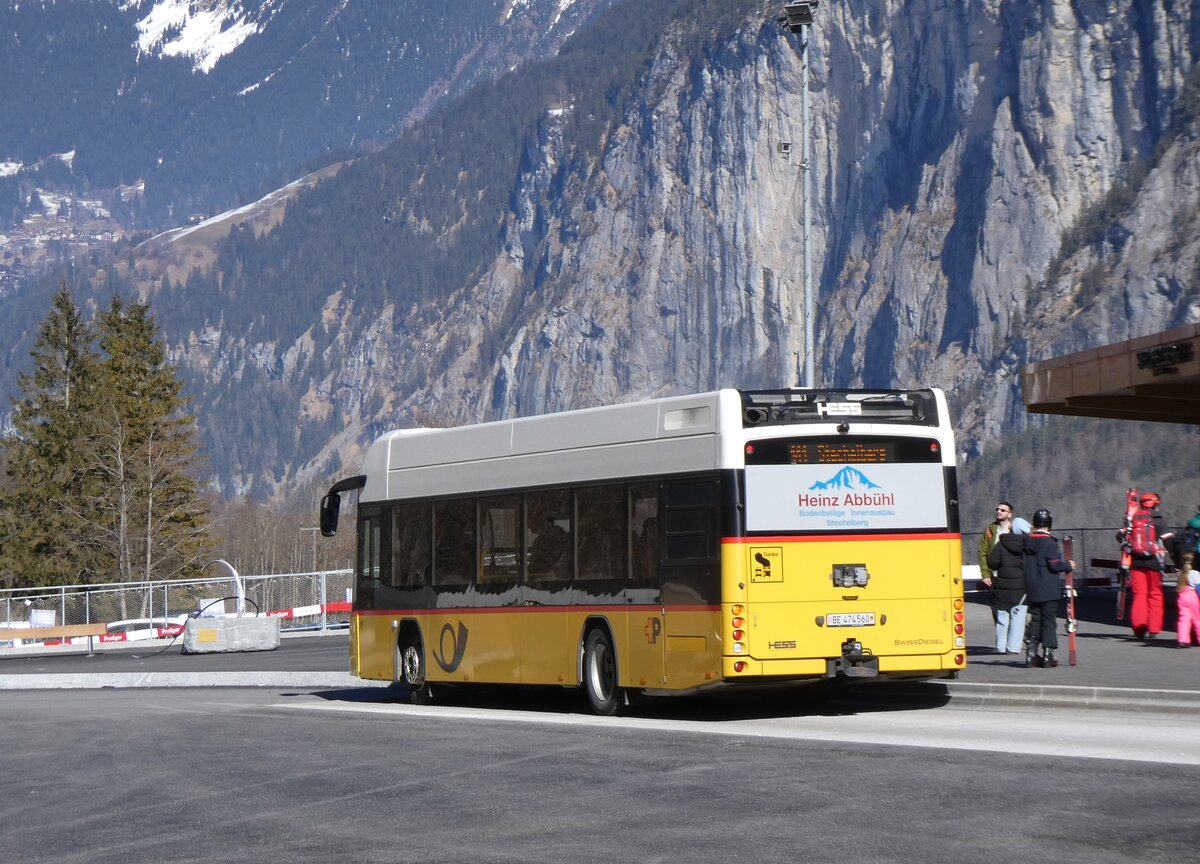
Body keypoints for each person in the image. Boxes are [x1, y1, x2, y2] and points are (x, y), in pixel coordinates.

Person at [1022, 508, 1075, 668]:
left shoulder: (1027, 542)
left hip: (1032, 587)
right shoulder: (1049, 542)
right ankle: (1048, 654)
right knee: (1049, 620)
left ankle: (1031, 653)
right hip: (1048, 587)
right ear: (1049, 524)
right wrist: (1068, 565)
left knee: (1036, 619)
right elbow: (1054, 565)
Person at [1122, 492, 1175, 640]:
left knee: (1139, 596)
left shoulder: (1132, 518)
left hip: (1136, 562)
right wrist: (1178, 561)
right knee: (1155, 595)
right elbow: (1169, 542)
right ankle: (1153, 628)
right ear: (1155, 503)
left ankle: (1139, 629)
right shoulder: (1158, 520)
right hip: (1154, 562)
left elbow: (1120, 537)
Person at [987, 517, 1031, 655]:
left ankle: (1000, 646)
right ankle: (1013, 647)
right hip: (1021, 587)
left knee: (1002, 617)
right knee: (1017, 618)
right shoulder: (1028, 546)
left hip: (1002, 587)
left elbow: (992, 562)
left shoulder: (1002, 543)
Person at [978, 501, 1015, 591]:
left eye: (1003, 510)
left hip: (1012, 576)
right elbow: (982, 553)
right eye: (997, 509)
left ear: (1009, 515)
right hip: (994, 576)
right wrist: (985, 574)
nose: (999, 511)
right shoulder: (989, 530)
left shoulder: (1015, 530)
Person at [1176, 551, 1199, 648]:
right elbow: (1199, 587)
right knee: (1197, 619)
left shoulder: (1181, 573)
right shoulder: (1195, 573)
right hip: (1192, 595)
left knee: (1183, 620)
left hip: (1182, 595)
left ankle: (1182, 640)